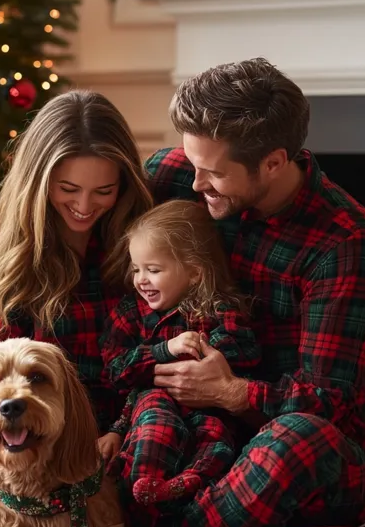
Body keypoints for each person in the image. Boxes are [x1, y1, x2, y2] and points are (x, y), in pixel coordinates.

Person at [119, 57, 365, 527]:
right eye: (192, 160)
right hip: (187, 435)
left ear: (272, 163)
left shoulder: (348, 243)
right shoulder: (175, 175)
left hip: (282, 452)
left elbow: (329, 404)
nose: (195, 181)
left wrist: (231, 392)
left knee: (299, 438)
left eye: (214, 172)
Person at [0, 90, 153, 433]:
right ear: (38, 181)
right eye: (68, 188)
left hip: (132, 426)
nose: (84, 206)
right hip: (43, 432)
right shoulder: (15, 248)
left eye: (104, 191)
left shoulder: (144, 240)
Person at [98, 200, 260, 504]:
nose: (141, 280)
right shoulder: (131, 314)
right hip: (148, 409)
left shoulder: (217, 309)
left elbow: (245, 350)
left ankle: (189, 481)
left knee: (216, 435)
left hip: (207, 407)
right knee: (154, 412)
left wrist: (209, 352)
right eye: (136, 269)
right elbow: (116, 371)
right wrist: (164, 351)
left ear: (194, 272)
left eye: (153, 270)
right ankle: (143, 488)